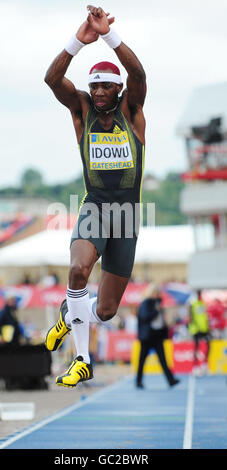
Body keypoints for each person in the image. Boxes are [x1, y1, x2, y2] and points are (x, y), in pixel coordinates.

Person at [44, 5, 147, 388]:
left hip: (128, 216)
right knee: (77, 270)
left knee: (104, 310)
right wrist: (77, 42)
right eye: (96, 86)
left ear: (118, 89)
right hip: (96, 207)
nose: (101, 92)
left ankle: (68, 313)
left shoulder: (132, 110)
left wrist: (109, 37)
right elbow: (52, 79)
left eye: (107, 85)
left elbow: (138, 73)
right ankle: (82, 359)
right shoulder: (81, 109)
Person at [136, 284, 180, 389]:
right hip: (147, 336)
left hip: (158, 335)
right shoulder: (145, 303)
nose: (157, 295)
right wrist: (156, 311)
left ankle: (171, 380)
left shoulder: (159, 303)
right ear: (151, 293)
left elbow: (161, 320)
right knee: (142, 360)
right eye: (155, 293)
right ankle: (138, 381)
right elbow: (145, 317)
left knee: (163, 359)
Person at [188, 289, 211, 375]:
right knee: (196, 348)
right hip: (196, 330)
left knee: (208, 346)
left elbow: (205, 317)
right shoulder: (192, 305)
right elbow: (191, 317)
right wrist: (194, 327)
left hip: (204, 329)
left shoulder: (203, 304)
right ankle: (195, 367)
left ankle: (204, 365)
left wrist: (207, 327)